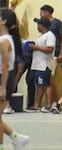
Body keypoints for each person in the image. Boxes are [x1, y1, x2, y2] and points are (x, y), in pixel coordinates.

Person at [0, 9, 29, 148]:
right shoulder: (5, 39)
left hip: (3, 79)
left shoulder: (4, 41)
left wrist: (3, 87)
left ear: (4, 21)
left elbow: (5, 65)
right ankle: (17, 138)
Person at [29, 17, 55, 111]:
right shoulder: (41, 36)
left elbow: (50, 49)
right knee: (42, 85)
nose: (37, 27)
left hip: (44, 65)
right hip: (37, 64)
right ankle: (42, 104)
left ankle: (42, 105)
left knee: (43, 85)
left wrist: (36, 47)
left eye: (38, 24)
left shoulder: (50, 35)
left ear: (42, 25)